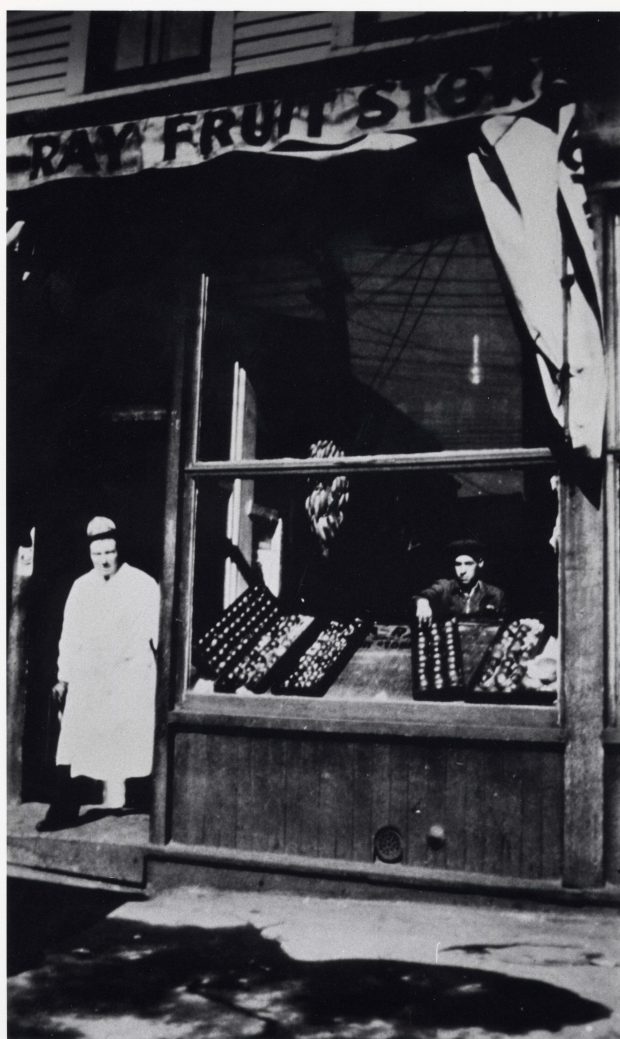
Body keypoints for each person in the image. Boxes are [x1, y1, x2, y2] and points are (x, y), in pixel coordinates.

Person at [36, 517, 160, 831]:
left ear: (119, 550)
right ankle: (63, 811)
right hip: (90, 677)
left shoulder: (143, 584)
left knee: (133, 741)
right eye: (97, 554)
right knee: (77, 742)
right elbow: (70, 634)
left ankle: (143, 805)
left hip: (131, 675)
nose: (104, 559)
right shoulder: (81, 587)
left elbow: (157, 635)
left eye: (109, 552)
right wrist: (63, 677)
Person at [414, 538, 505, 625]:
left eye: (468, 564)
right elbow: (427, 593)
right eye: (458, 564)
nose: (462, 571)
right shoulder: (445, 586)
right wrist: (422, 602)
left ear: (480, 563)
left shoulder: (495, 594)